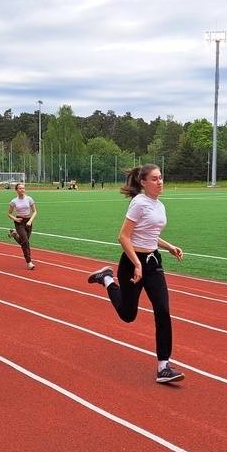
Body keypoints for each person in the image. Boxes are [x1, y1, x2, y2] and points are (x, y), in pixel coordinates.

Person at [86, 163, 185, 384]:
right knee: (128, 314)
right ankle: (107, 278)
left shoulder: (159, 205)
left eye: (161, 178)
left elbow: (150, 233)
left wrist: (168, 247)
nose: (160, 182)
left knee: (163, 309)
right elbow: (123, 236)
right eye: (154, 179)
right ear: (143, 182)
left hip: (153, 262)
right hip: (133, 263)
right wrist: (136, 264)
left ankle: (163, 366)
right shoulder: (139, 203)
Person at [7, 183, 37, 270]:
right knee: (26, 242)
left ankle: (14, 234)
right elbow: (9, 213)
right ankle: (29, 262)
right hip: (19, 222)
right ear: (16, 190)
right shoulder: (14, 201)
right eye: (20, 188)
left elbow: (35, 211)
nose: (22, 190)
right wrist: (15, 219)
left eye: (23, 188)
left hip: (28, 221)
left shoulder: (29, 199)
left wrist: (30, 221)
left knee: (24, 242)